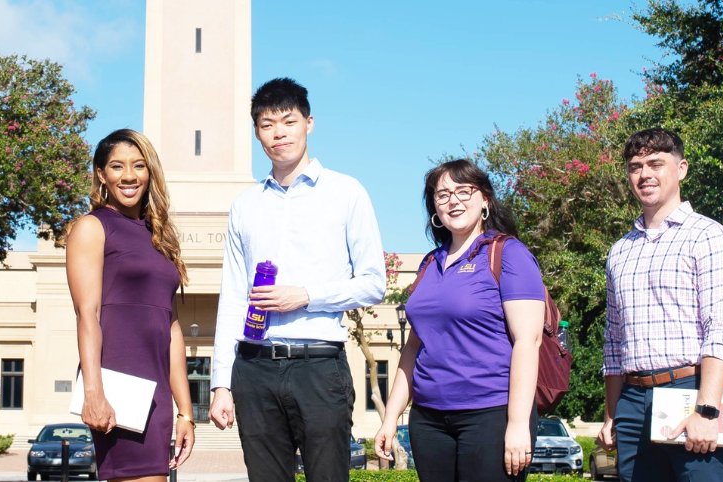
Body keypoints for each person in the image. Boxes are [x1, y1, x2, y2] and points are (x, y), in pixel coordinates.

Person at [208, 77, 385, 482]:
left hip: (319, 367)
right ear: (257, 133)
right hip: (254, 368)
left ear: (309, 123)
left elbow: (374, 282)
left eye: (288, 121)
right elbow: (233, 296)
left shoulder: (346, 192)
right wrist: (221, 384)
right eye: (267, 124)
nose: (279, 133)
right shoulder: (245, 205)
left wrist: (306, 295)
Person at [372, 159, 545, 481]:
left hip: (490, 414)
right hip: (429, 420)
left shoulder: (508, 253)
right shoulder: (429, 263)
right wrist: (391, 416)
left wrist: (518, 424)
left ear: (485, 200)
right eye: (442, 195)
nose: (453, 200)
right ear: (435, 210)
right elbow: (413, 347)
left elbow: (528, 340)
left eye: (464, 191)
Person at [597, 128, 723, 481]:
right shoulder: (620, 251)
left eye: (655, 164)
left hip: (693, 392)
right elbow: (614, 342)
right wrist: (611, 415)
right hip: (633, 403)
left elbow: (720, 332)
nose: (644, 174)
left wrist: (707, 410)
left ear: (681, 169)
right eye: (635, 167)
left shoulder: (710, 237)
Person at [66, 129, 196, 481]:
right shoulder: (92, 227)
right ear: (101, 174)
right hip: (118, 389)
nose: (128, 176)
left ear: (150, 173)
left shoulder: (160, 236)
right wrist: (94, 392)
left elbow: (171, 326)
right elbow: (87, 314)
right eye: (117, 166)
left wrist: (185, 411)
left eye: (138, 165)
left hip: (157, 395)